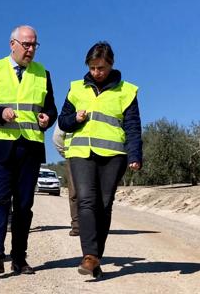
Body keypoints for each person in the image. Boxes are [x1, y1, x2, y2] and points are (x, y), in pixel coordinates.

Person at [0, 25, 58, 274]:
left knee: (23, 205)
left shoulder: (43, 74)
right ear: (13, 44)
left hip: (30, 147)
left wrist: (47, 119)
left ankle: (19, 258)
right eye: (26, 45)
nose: (31, 49)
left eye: (34, 45)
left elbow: (51, 108)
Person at [57, 41, 142, 278]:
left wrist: (135, 154)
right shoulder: (76, 88)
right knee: (86, 201)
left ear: (111, 64)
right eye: (93, 68)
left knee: (103, 206)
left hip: (113, 156)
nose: (97, 72)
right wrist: (74, 118)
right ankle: (89, 255)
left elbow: (133, 127)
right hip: (81, 154)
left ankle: (95, 258)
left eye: (101, 67)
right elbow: (63, 122)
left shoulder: (127, 91)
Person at [52, 125, 80, 236]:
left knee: (74, 194)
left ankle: (77, 226)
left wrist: (65, 153)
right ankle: (93, 226)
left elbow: (57, 137)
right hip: (94, 156)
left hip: (73, 156)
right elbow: (57, 137)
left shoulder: (69, 109)